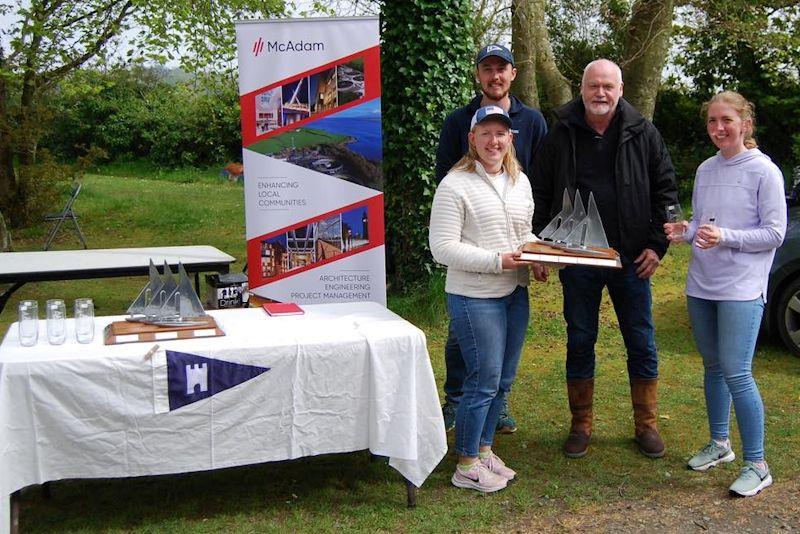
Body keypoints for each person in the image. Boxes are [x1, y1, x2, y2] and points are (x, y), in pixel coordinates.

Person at [532, 59, 678, 459]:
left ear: (621, 89)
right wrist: (539, 246)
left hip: (632, 258)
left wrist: (657, 246)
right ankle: (581, 424)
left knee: (641, 341)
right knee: (580, 339)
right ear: (581, 89)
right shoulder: (560, 133)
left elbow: (666, 192)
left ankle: (646, 424)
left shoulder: (643, 132)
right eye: (593, 86)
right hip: (579, 257)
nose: (600, 93)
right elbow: (540, 193)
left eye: (607, 86)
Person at [664, 91, 785, 497]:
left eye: (727, 120)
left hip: (742, 287)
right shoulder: (705, 169)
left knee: (737, 372)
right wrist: (688, 231)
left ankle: (758, 463)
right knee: (713, 368)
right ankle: (720, 444)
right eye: (712, 121)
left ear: (745, 124)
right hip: (702, 284)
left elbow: (774, 233)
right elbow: (703, 223)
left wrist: (727, 237)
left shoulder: (764, 171)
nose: (718, 128)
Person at [435, 43, 548, 434]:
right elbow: (446, 198)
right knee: (470, 352)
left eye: (502, 68)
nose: (495, 75)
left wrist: (538, 252)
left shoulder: (533, 124)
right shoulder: (457, 129)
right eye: (488, 68)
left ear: (513, 73)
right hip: (475, 262)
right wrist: (490, 252)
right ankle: (458, 408)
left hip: (516, 261)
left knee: (497, 369)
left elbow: (535, 198)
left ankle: (488, 424)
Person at [429, 105, 535, 492]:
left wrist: (540, 258)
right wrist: (497, 261)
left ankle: (485, 449)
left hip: (515, 291)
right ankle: (466, 463)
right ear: (472, 139)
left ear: (511, 139)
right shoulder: (454, 184)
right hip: (475, 296)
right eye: (486, 133)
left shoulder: (519, 180)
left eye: (501, 133)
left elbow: (524, 235)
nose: (494, 141)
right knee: (483, 379)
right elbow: (441, 248)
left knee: (503, 380)